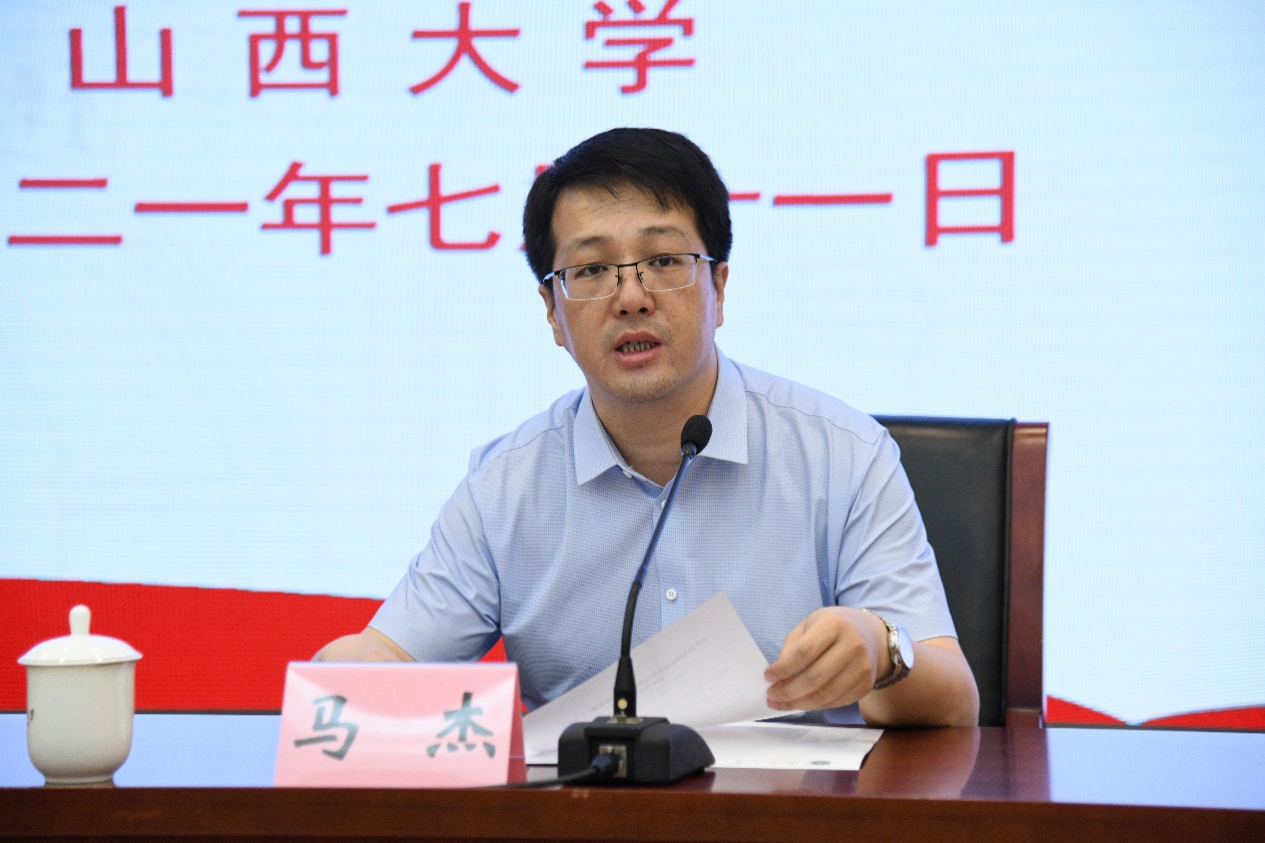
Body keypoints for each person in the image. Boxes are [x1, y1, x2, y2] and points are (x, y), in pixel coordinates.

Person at [317, 128, 979, 727]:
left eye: (663, 260)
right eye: (591, 270)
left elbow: (955, 700)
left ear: (718, 287)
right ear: (551, 312)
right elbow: (387, 657)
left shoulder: (842, 454)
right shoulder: (504, 488)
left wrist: (881, 650)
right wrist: (353, 669)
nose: (631, 297)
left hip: (797, 807)